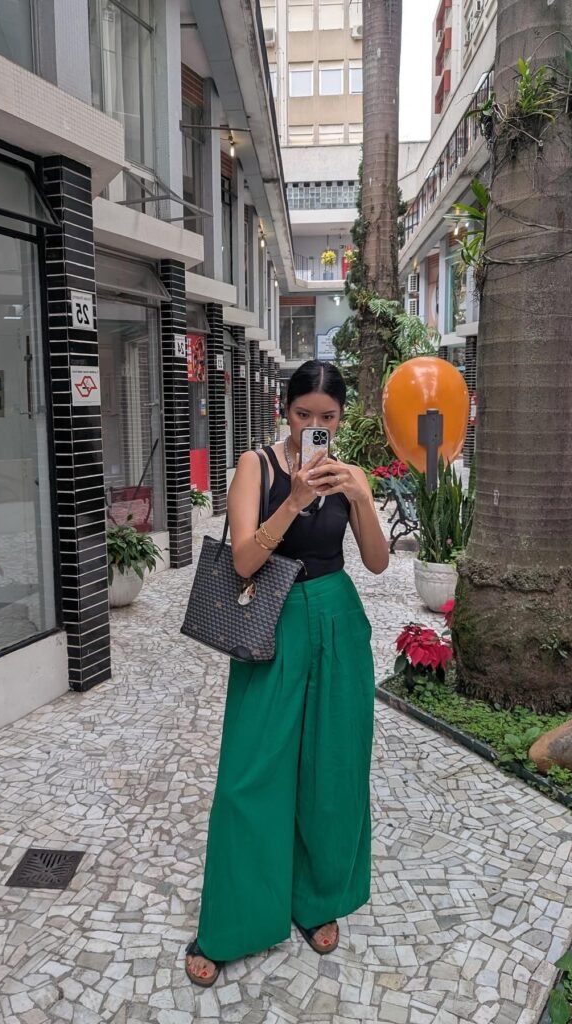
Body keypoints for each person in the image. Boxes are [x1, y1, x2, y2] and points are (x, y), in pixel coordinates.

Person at [185, 359, 390, 987]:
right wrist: (295, 501)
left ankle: (318, 897)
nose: (313, 426)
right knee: (251, 773)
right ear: (285, 410)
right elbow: (244, 560)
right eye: (304, 414)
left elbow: (377, 564)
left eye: (328, 417)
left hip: (337, 621)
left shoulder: (350, 476)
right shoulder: (258, 466)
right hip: (272, 622)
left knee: (333, 768)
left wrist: (360, 496)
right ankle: (233, 922)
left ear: (341, 420)